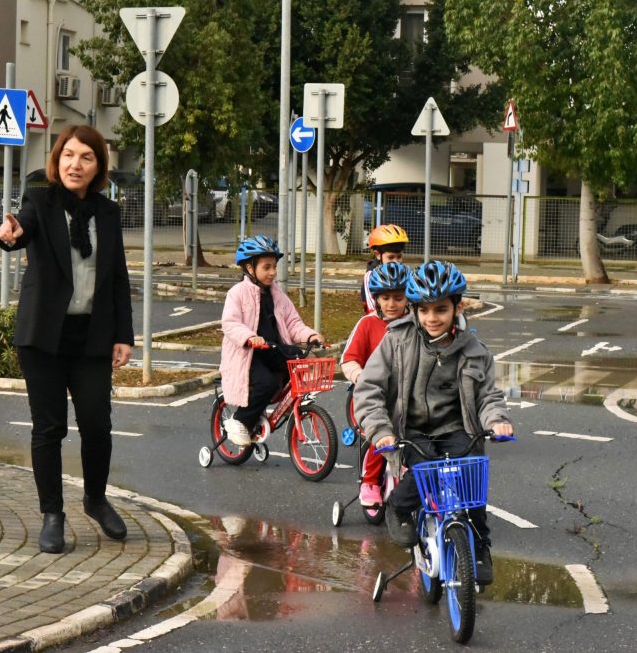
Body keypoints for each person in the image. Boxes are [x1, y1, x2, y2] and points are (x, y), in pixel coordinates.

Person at [0, 124, 134, 554]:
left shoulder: (108, 213)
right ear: (57, 160)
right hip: (44, 337)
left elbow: (117, 278)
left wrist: (124, 335)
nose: (76, 164)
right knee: (49, 428)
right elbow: (23, 229)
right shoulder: (40, 200)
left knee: (97, 425)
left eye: (86, 157)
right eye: (69, 155)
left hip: (91, 336)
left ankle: (95, 498)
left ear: (98, 167)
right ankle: (52, 514)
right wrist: (10, 235)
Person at [353, 260, 514, 585]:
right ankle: (398, 507)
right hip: (412, 430)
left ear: (458, 306)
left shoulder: (474, 350)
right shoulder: (397, 340)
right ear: (414, 310)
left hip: (457, 430)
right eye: (423, 310)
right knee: (425, 466)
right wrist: (381, 430)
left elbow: (488, 396)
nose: (432, 318)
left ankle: (480, 548)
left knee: (471, 480)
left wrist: (497, 421)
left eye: (441, 309)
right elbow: (368, 389)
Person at [220, 235, 323, 447]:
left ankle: (274, 406)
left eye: (274, 266)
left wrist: (310, 335)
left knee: (298, 359)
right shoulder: (237, 293)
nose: (273, 272)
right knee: (266, 383)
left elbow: (293, 323)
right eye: (266, 267)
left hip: (273, 348)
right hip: (248, 355)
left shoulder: (277, 295)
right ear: (250, 268)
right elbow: (230, 323)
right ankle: (239, 420)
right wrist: (249, 337)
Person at [340, 261, 411, 508]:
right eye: (386, 298)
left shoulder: (416, 324)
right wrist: (362, 377)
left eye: (398, 298)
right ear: (377, 299)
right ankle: (370, 481)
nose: (392, 304)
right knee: (381, 436)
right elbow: (348, 359)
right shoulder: (368, 324)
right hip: (376, 395)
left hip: (407, 395)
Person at [360, 224, 409, 314]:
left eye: (399, 257)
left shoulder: (404, 273)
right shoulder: (370, 275)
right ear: (378, 255)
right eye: (390, 257)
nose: (396, 262)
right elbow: (371, 308)